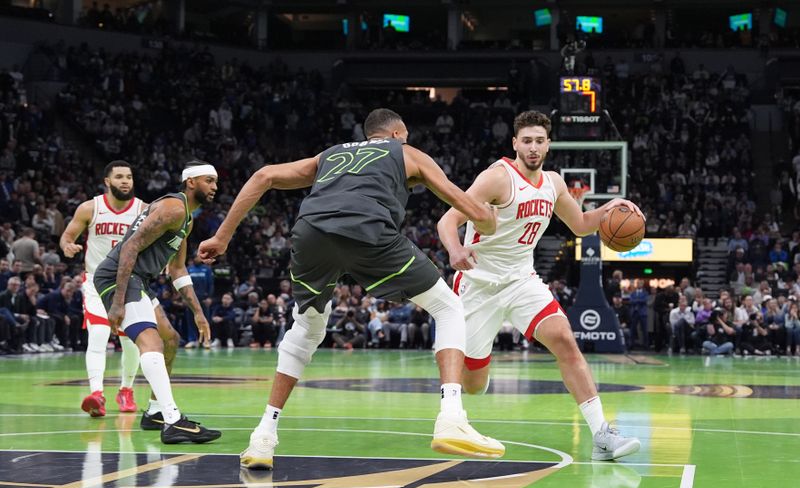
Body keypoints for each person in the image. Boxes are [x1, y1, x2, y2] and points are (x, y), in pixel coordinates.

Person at [199, 108, 502, 469]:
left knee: (307, 329)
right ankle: (452, 417)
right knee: (448, 308)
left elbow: (264, 175)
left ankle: (263, 437)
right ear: (394, 135)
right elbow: (464, 204)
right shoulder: (406, 153)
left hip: (311, 234)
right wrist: (489, 218)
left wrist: (222, 236)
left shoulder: (330, 155)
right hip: (368, 231)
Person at [437, 110, 641, 461]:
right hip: (478, 285)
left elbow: (579, 224)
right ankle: (473, 380)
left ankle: (602, 434)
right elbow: (448, 219)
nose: (533, 147)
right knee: (474, 385)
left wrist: (610, 208)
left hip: (521, 281)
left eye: (539, 141)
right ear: (515, 143)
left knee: (564, 339)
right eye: (526, 141)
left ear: (548, 145)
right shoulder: (496, 178)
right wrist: (455, 249)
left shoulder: (554, 183)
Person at [93, 161, 221, 444]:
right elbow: (130, 246)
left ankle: (154, 412)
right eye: (208, 181)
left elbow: (177, 269)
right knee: (152, 344)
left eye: (215, 182)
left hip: (139, 280)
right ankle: (174, 421)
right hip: (119, 277)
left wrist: (198, 313)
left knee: (171, 339)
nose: (214, 187)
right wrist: (117, 302)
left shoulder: (185, 218)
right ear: (190, 182)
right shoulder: (173, 208)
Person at [60, 161, 146, 416]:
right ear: (107, 181)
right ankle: (96, 394)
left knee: (130, 342)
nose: (125, 181)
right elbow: (67, 236)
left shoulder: (144, 209)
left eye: (129, 177)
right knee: (97, 335)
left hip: (130, 283)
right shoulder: (90, 208)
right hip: (97, 283)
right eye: (119, 177)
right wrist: (67, 246)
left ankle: (126, 390)